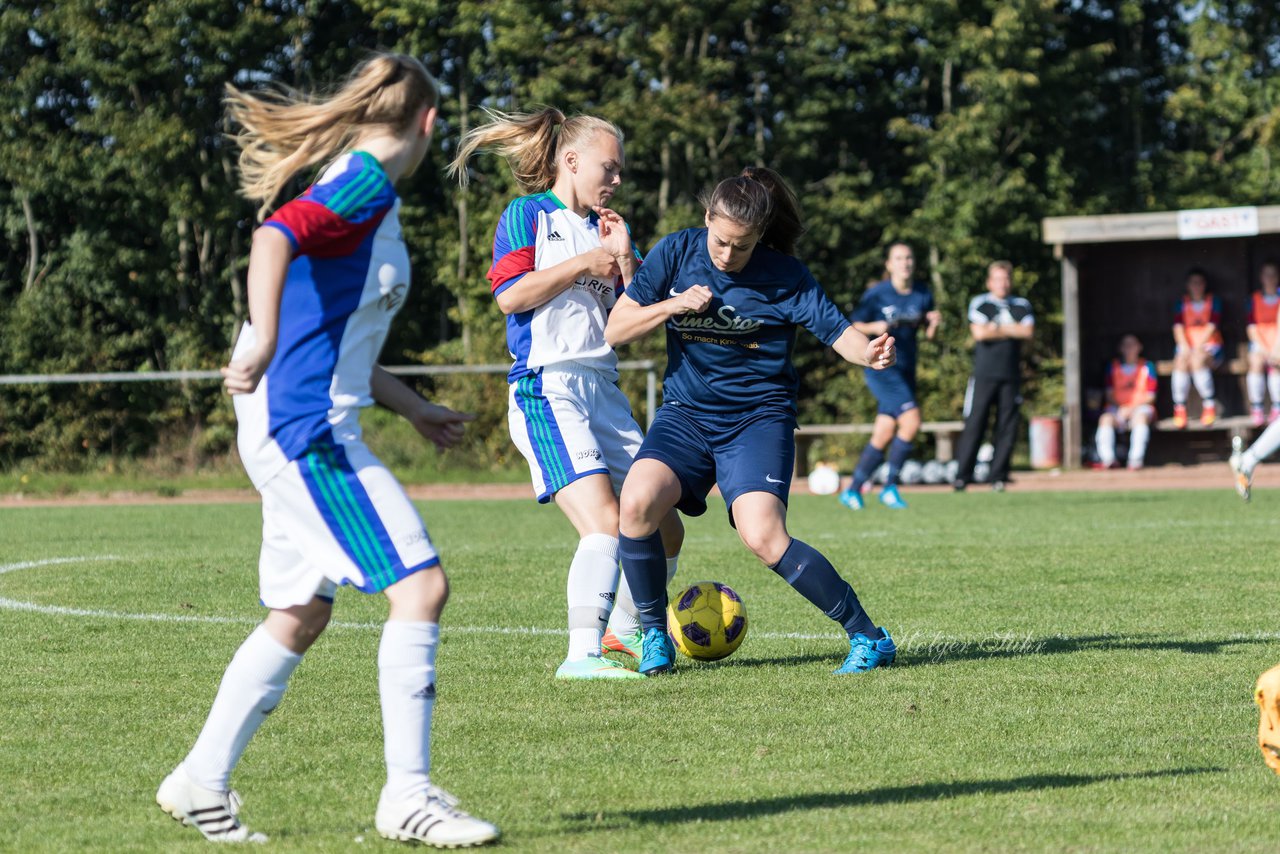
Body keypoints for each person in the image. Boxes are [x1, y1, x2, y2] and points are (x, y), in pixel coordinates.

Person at [155, 54, 498, 847]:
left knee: (301, 612)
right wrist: (263, 337)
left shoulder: (362, 189)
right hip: (304, 427)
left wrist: (411, 407)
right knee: (421, 586)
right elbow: (273, 239)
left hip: (300, 415)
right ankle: (406, 797)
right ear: (428, 122)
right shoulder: (368, 183)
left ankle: (200, 780)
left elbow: (335, 332)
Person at [604, 167, 899, 677]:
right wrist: (674, 304)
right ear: (706, 219)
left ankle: (869, 638)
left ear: (759, 236)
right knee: (636, 502)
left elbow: (840, 333)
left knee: (762, 536)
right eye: (720, 242)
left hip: (758, 420)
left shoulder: (785, 276)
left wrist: (868, 354)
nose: (726, 255)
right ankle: (654, 635)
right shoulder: (676, 253)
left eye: (741, 247)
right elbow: (616, 329)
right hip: (686, 415)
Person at [447, 109, 683, 679]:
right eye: (610, 167)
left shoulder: (611, 228)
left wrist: (625, 258)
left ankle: (624, 633)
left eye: (621, 170)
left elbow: (642, 310)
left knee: (663, 521)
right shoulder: (527, 214)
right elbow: (510, 297)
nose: (617, 179)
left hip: (603, 387)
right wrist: (583, 262)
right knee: (605, 524)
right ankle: (582, 656)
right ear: (571, 162)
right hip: (548, 386)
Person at [838, 242, 941, 510]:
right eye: (899, 258)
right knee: (912, 420)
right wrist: (875, 326)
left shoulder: (922, 293)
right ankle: (890, 486)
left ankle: (852, 490)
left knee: (884, 431)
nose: (905, 263)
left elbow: (928, 335)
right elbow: (853, 325)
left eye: (908, 258)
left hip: (906, 369)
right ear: (889, 264)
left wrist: (934, 324)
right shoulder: (877, 294)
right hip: (882, 368)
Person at [952, 261, 1034, 491]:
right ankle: (962, 476)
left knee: (1006, 425)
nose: (1002, 283)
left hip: (1011, 375)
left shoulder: (1021, 305)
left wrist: (995, 329)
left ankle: (998, 476)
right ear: (990, 282)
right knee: (975, 422)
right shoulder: (981, 303)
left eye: (1006, 279)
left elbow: (1027, 331)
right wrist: (1011, 329)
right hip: (984, 374)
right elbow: (979, 333)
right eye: (997, 279)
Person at [1093, 334, 1157, 470]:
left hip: (1141, 408)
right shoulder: (1113, 367)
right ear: (1121, 348)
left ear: (1139, 347)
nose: (1129, 349)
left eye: (1132, 345)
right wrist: (1122, 408)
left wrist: (1132, 408)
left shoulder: (1147, 366)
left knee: (1141, 418)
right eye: (1126, 345)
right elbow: (1109, 394)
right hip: (1118, 408)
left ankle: (1135, 460)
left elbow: (1151, 396)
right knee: (1105, 419)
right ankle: (1108, 460)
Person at [1171, 268, 1223, 428]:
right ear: (1188, 285)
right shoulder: (1181, 303)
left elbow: (1212, 326)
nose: (1196, 286)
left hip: (1209, 345)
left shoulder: (1213, 301)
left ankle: (1209, 405)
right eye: (1193, 283)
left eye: (1199, 283)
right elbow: (1178, 328)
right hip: (1187, 346)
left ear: (1204, 285)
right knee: (1180, 361)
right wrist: (1186, 347)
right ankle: (1179, 408)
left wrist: (1197, 347)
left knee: (1198, 361)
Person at [1245, 260, 1280, 426]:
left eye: (1273, 274)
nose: (1270, 278)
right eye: (1267, 274)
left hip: (1278, 343)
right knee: (1256, 361)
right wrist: (1266, 349)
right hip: (1260, 343)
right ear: (1261, 277)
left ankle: (1277, 407)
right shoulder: (1254, 300)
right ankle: (1257, 407)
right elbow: (1251, 328)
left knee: (1276, 363)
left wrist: (1275, 349)